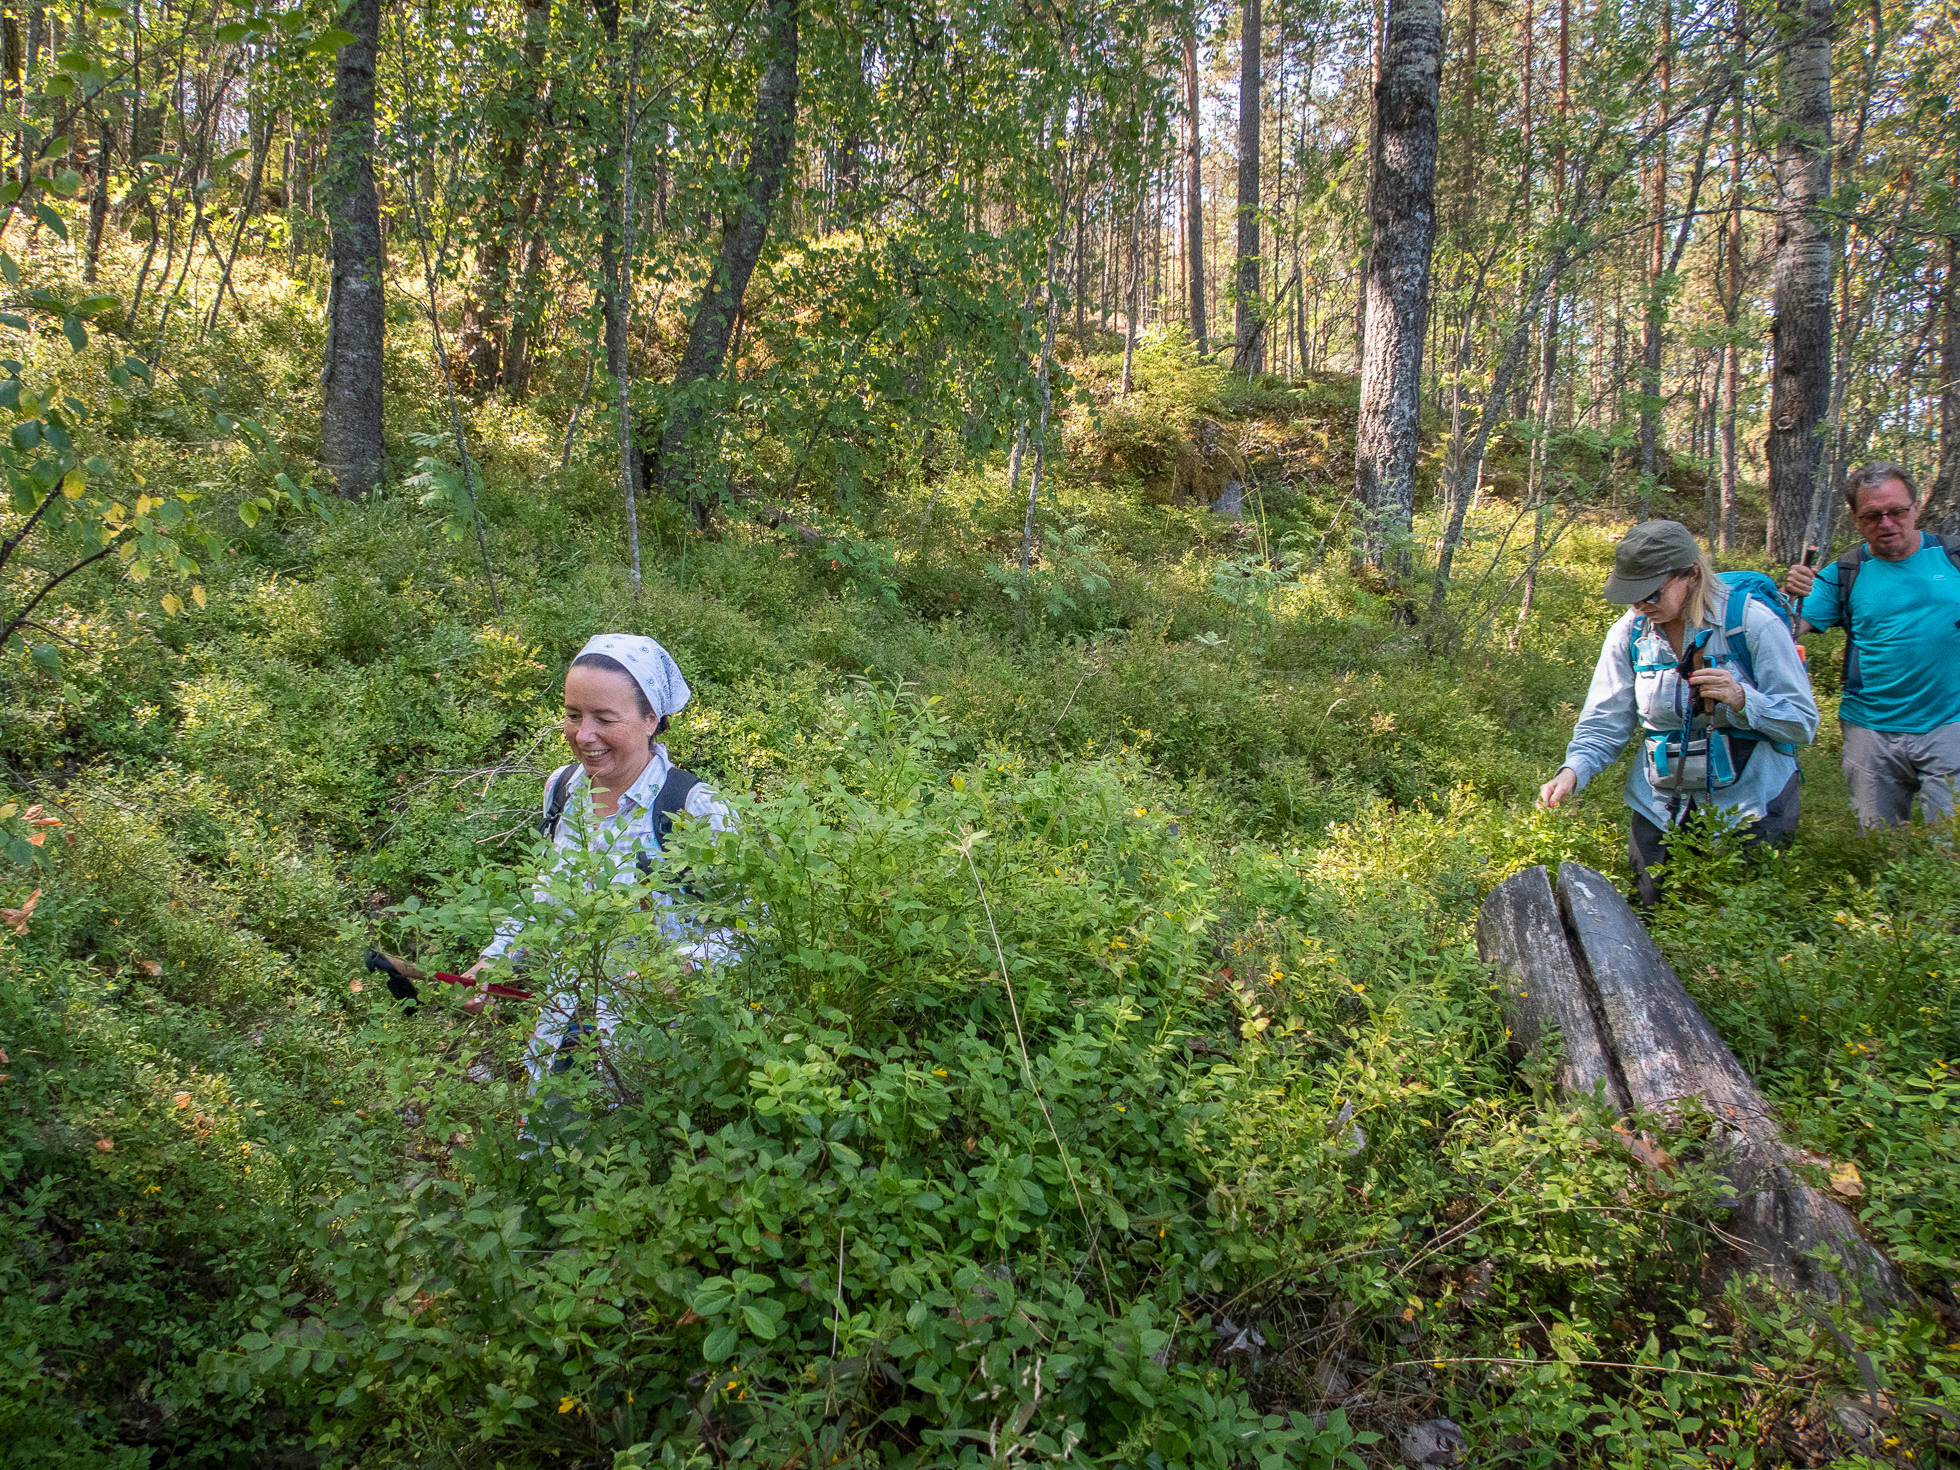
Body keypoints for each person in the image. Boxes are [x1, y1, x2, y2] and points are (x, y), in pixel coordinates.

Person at [463, 634, 739, 1090]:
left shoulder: (694, 809)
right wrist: (497, 960)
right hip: (561, 1022)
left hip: (662, 1047)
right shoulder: (563, 788)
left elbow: (755, 920)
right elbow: (546, 892)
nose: (583, 735)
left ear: (651, 719)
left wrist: (689, 963)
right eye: (573, 715)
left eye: (604, 718)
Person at [1539, 520, 1819, 907]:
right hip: (1660, 808)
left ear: (1691, 574)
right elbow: (1604, 721)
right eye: (1631, 595)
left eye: (1651, 593)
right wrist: (1573, 771)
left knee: (1741, 924)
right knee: (1647, 916)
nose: (1640, 605)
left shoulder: (1752, 624)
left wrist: (1741, 699)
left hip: (1752, 809)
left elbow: (1803, 722)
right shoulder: (1630, 633)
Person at [1782, 462, 1960, 828]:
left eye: (1897, 511)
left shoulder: (1953, 558)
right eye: (1872, 516)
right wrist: (1789, 595)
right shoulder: (1845, 572)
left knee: (1951, 846)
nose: (1887, 523)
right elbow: (1785, 630)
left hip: (1951, 724)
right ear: (1855, 519)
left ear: (1916, 507)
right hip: (1870, 731)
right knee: (1878, 844)